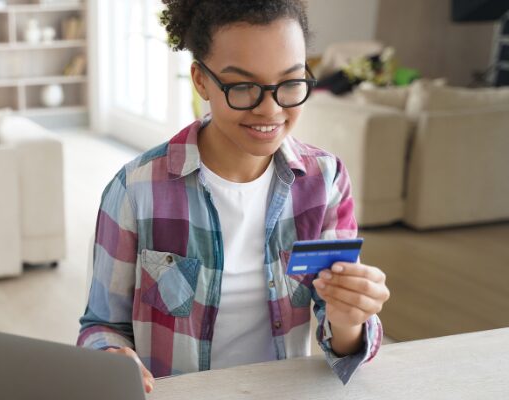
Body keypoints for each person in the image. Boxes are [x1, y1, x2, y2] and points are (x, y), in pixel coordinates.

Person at [78, 0, 390, 393]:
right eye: (243, 86)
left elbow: (342, 337)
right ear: (201, 80)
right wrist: (110, 355)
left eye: (291, 82)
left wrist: (350, 318)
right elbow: (100, 326)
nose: (270, 109)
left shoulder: (325, 181)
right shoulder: (135, 190)